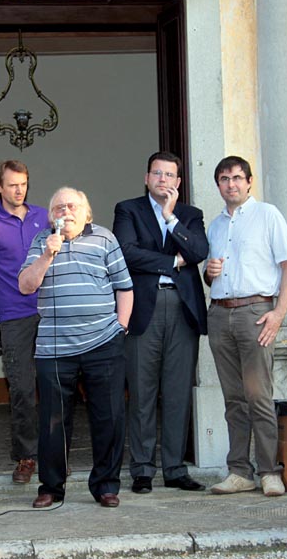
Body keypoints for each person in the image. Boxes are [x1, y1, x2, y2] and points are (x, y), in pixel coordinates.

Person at [18, 187, 133, 509]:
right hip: (54, 347)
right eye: (58, 208)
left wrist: (121, 328)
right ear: (50, 216)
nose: (65, 212)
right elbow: (25, 286)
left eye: (71, 206)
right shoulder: (42, 241)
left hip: (103, 342)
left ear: (86, 213)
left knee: (109, 417)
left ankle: (106, 486)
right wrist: (47, 255)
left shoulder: (105, 239)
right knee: (52, 421)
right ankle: (51, 488)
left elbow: (125, 287)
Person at [112, 151, 209, 495]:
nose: (162, 179)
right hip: (143, 309)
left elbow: (198, 252)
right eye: (157, 173)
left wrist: (170, 217)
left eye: (169, 175)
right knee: (141, 391)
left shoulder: (190, 215)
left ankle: (175, 469)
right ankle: (142, 469)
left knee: (178, 391)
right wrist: (173, 262)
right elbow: (126, 253)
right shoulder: (128, 210)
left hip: (183, 309)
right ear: (146, 178)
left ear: (178, 182)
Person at [202, 155, 287, 497]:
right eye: (224, 179)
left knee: (258, 395)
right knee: (233, 399)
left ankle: (270, 471)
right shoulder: (215, 226)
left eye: (237, 178)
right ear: (218, 185)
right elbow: (212, 277)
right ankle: (239, 471)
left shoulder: (268, 215)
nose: (231, 184)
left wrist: (278, 313)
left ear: (249, 181)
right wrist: (208, 273)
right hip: (220, 313)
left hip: (256, 312)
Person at [0, 160, 49, 484]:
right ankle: (26, 456)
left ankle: (54, 455)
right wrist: (3, 303)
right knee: (21, 388)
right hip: (14, 317)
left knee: (55, 384)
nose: (19, 190)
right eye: (12, 185)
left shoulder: (44, 217)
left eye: (23, 184)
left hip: (49, 312)